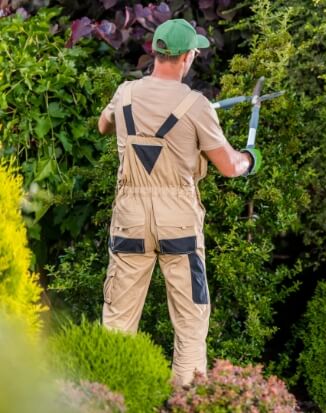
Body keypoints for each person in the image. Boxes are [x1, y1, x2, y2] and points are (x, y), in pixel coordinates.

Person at [97, 18, 261, 385]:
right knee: (190, 321)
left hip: (130, 219)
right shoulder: (197, 105)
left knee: (118, 321)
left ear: (155, 53)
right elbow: (230, 167)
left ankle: (108, 401)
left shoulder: (124, 94)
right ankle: (186, 402)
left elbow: (103, 126)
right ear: (188, 57)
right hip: (178, 223)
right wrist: (251, 158)